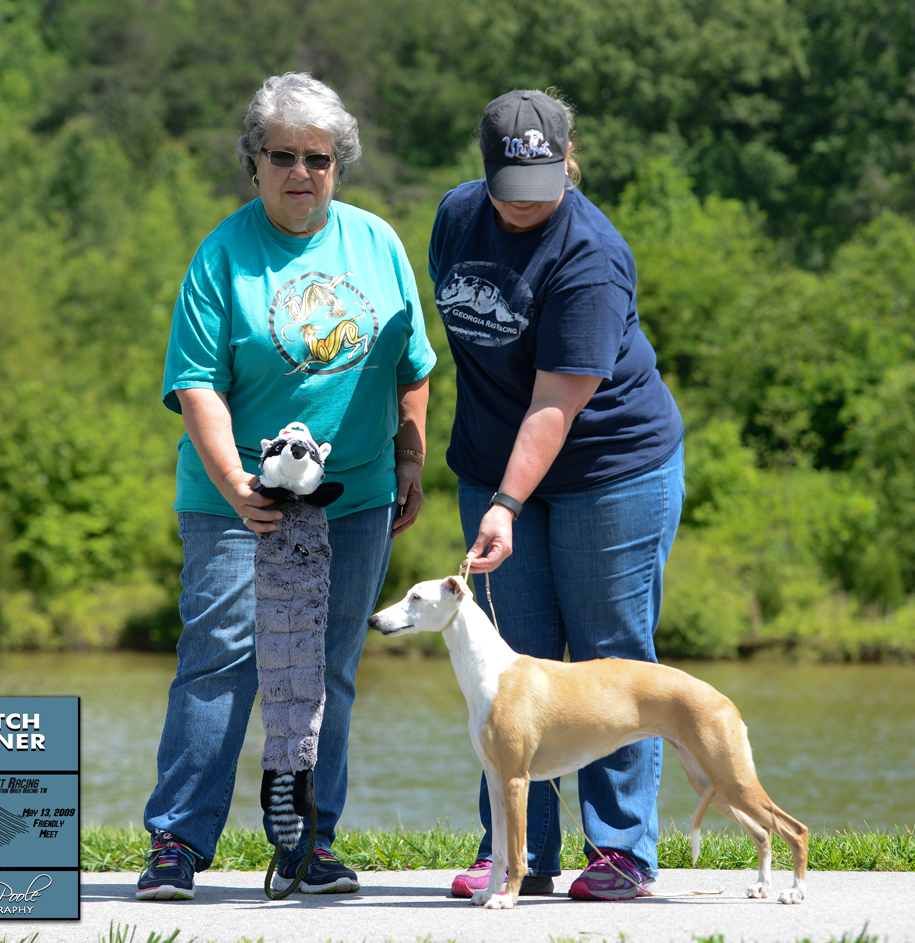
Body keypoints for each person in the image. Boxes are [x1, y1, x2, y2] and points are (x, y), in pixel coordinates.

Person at [138, 72, 436, 900]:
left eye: (321, 157)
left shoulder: (377, 243)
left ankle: (306, 845)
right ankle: (177, 843)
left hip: (355, 496)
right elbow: (196, 382)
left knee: (328, 668)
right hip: (238, 497)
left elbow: (413, 364)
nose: (303, 172)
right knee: (223, 660)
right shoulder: (222, 255)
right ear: (254, 162)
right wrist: (235, 482)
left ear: (339, 164)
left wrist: (411, 457)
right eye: (284, 156)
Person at [428, 89, 685, 901]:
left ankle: (620, 851)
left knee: (612, 657)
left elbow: (554, 403)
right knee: (510, 661)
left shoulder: (591, 253)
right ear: (486, 174)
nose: (525, 209)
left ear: (568, 163)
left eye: (543, 190)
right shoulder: (455, 217)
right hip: (495, 466)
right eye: (511, 192)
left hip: (610, 468)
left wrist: (504, 500)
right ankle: (515, 852)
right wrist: (482, 479)